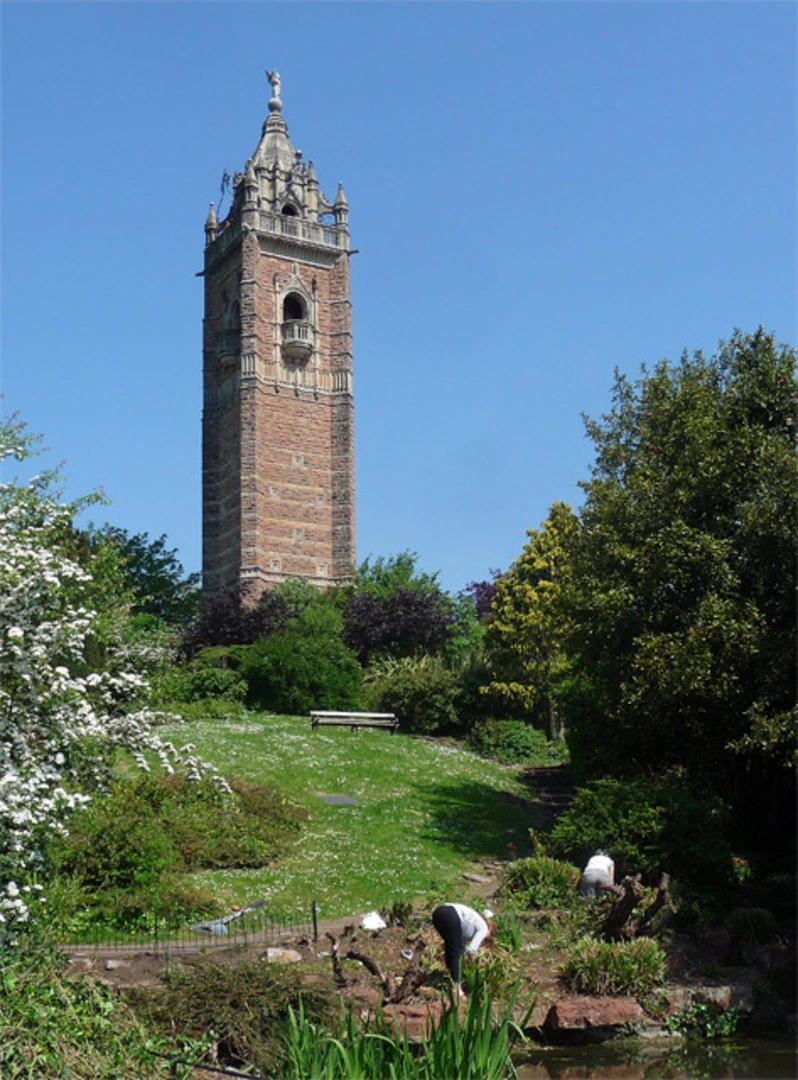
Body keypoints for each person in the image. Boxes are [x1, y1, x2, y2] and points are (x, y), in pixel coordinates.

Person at [431, 902, 494, 1001]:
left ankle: (449, 978)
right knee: (457, 951)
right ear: (490, 930)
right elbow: (471, 950)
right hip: (451, 914)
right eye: (487, 939)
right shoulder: (484, 928)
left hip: (438, 913)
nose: (483, 941)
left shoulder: (469, 928)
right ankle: (457, 991)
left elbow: (462, 946)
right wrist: (473, 967)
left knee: (451, 947)